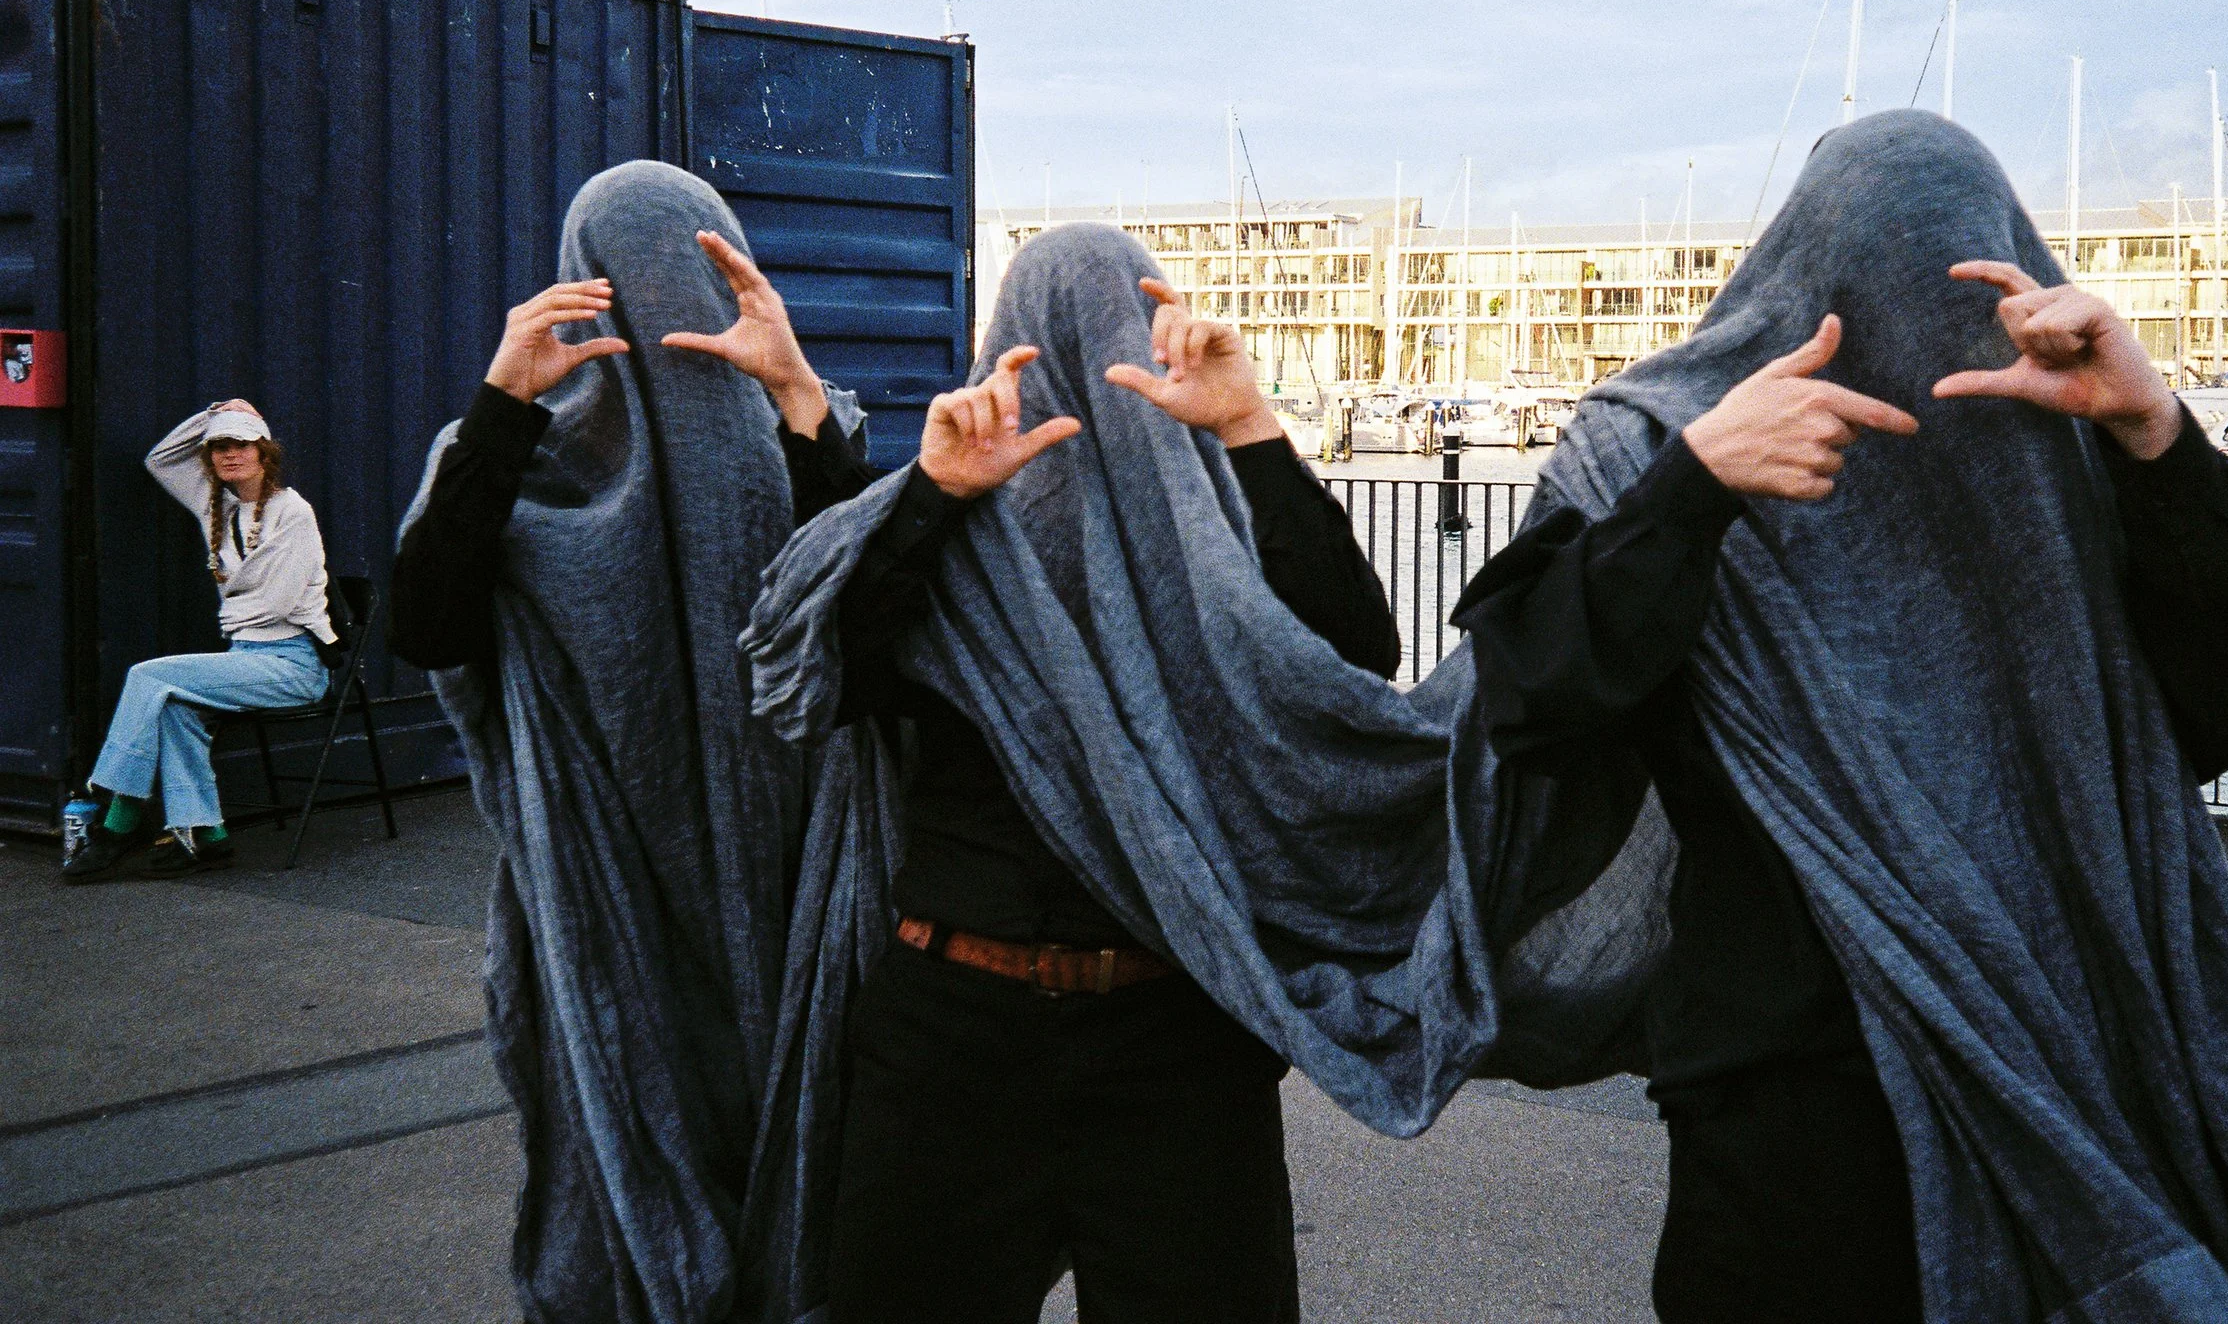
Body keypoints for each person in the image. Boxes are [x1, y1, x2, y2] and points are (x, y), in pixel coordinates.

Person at [1455, 111, 2228, 1322]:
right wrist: (1692, 490)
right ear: (1802, 268)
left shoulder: (2056, 447)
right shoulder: (1664, 441)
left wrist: (2154, 431)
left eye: (1955, 260)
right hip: (1787, 1096)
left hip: (2061, 1052)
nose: (1910, 301)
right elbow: (1531, 699)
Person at [815, 254, 1398, 1321]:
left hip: (1174, 1031)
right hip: (954, 1028)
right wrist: (935, 496)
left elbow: (1354, 661)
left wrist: (1249, 425)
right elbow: (827, 682)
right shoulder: (948, 521)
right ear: (1005, 352)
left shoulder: (1208, 538)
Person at [392, 159, 870, 1323]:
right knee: (621, 1180)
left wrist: (798, 394)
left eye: (694, 278)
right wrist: (504, 404)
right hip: (608, 885)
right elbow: (426, 623)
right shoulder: (516, 459)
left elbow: (865, 629)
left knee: (806, 1170)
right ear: (582, 288)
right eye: (633, 279)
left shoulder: (806, 426)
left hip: (788, 880)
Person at [66, 401, 337, 882]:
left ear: (264, 452)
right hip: (245, 659)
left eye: (240, 445)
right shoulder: (218, 506)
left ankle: (118, 820)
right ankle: (208, 836)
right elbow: (161, 459)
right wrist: (215, 413)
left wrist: (231, 608)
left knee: (147, 676)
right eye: (218, 447)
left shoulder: (292, 512)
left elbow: (275, 605)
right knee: (172, 707)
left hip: (294, 665)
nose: (229, 454)